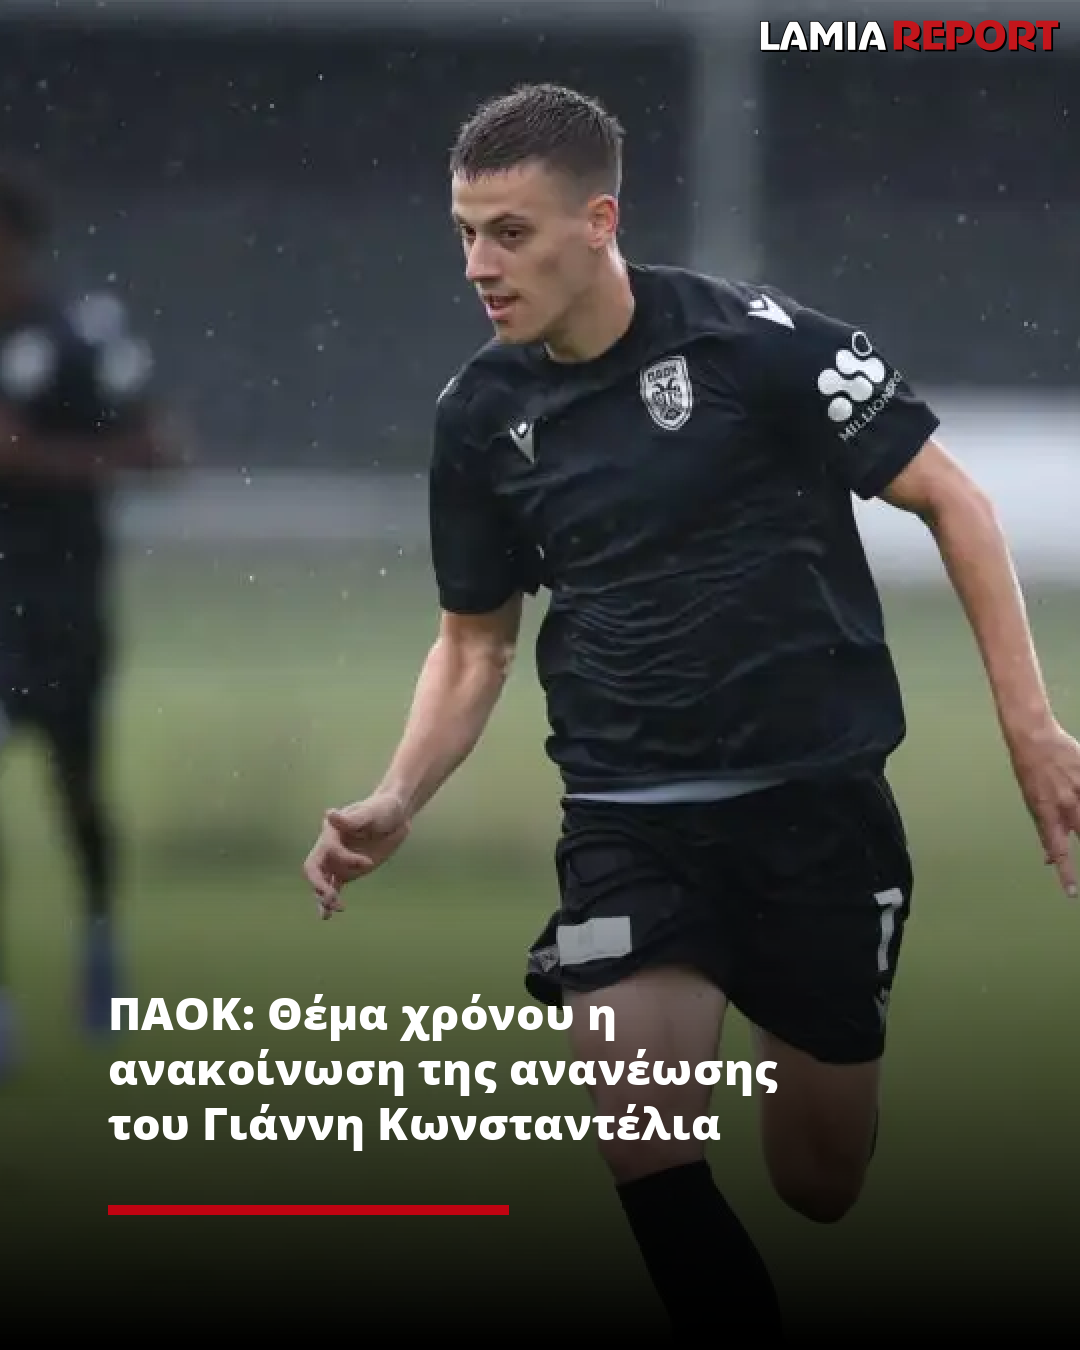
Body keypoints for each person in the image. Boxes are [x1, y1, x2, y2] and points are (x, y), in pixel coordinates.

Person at [302, 85, 1080, 1335]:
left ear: (599, 221)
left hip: (816, 812)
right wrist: (399, 794)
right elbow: (474, 643)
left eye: (510, 233)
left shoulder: (758, 347)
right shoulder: (480, 415)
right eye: (465, 233)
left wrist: (1031, 730)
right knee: (645, 1149)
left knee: (819, 1181)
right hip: (631, 819)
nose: (479, 266)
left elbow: (957, 503)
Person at [0, 162, 181, 1077]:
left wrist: (39, 458)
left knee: (76, 786)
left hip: (65, 598)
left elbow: (162, 451)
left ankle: (102, 942)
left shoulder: (78, 337)